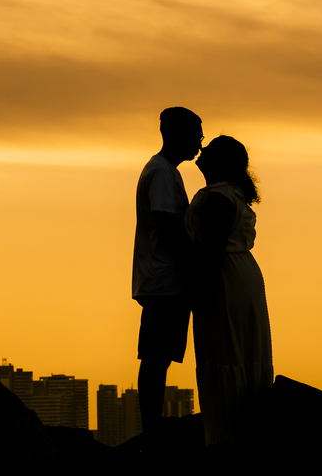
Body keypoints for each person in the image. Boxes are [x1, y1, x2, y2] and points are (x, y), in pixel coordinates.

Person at [184, 135, 274, 446]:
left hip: (225, 277)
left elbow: (212, 250)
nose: (202, 149)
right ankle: (240, 431)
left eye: (208, 149)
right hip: (240, 273)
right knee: (238, 351)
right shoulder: (230, 194)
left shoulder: (218, 197)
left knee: (225, 350)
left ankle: (227, 435)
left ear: (219, 162)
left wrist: (198, 291)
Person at [133, 106, 203, 442]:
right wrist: (192, 260)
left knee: (158, 357)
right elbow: (166, 221)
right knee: (155, 358)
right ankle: (152, 431)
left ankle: (153, 428)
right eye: (195, 135)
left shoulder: (165, 171)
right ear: (176, 135)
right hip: (164, 281)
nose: (200, 143)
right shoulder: (162, 172)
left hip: (165, 280)